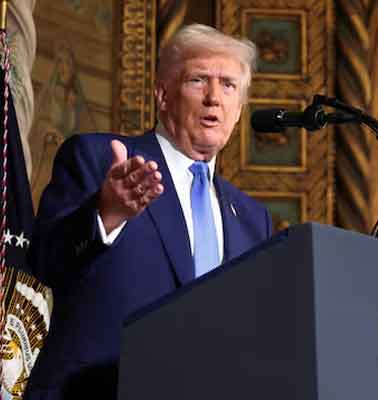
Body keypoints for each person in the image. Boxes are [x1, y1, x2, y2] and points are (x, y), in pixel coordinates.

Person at [23, 24, 273, 399]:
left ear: (239, 110)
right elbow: (44, 262)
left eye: (228, 86)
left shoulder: (253, 219)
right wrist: (106, 214)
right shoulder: (99, 159)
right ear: (162, 94)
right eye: (198, 80)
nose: (213, 98)